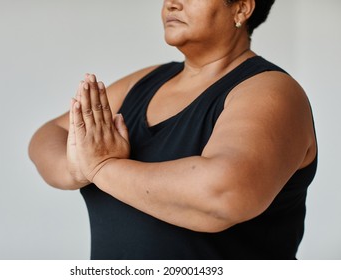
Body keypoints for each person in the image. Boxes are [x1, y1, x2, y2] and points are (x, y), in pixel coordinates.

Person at [29, 0, 317, 259]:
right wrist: (76, 169)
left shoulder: (271, 91)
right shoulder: (144, 82)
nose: (172, 4)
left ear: (241, 8)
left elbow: (223, 195)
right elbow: (48, 135)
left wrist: (101, 168)